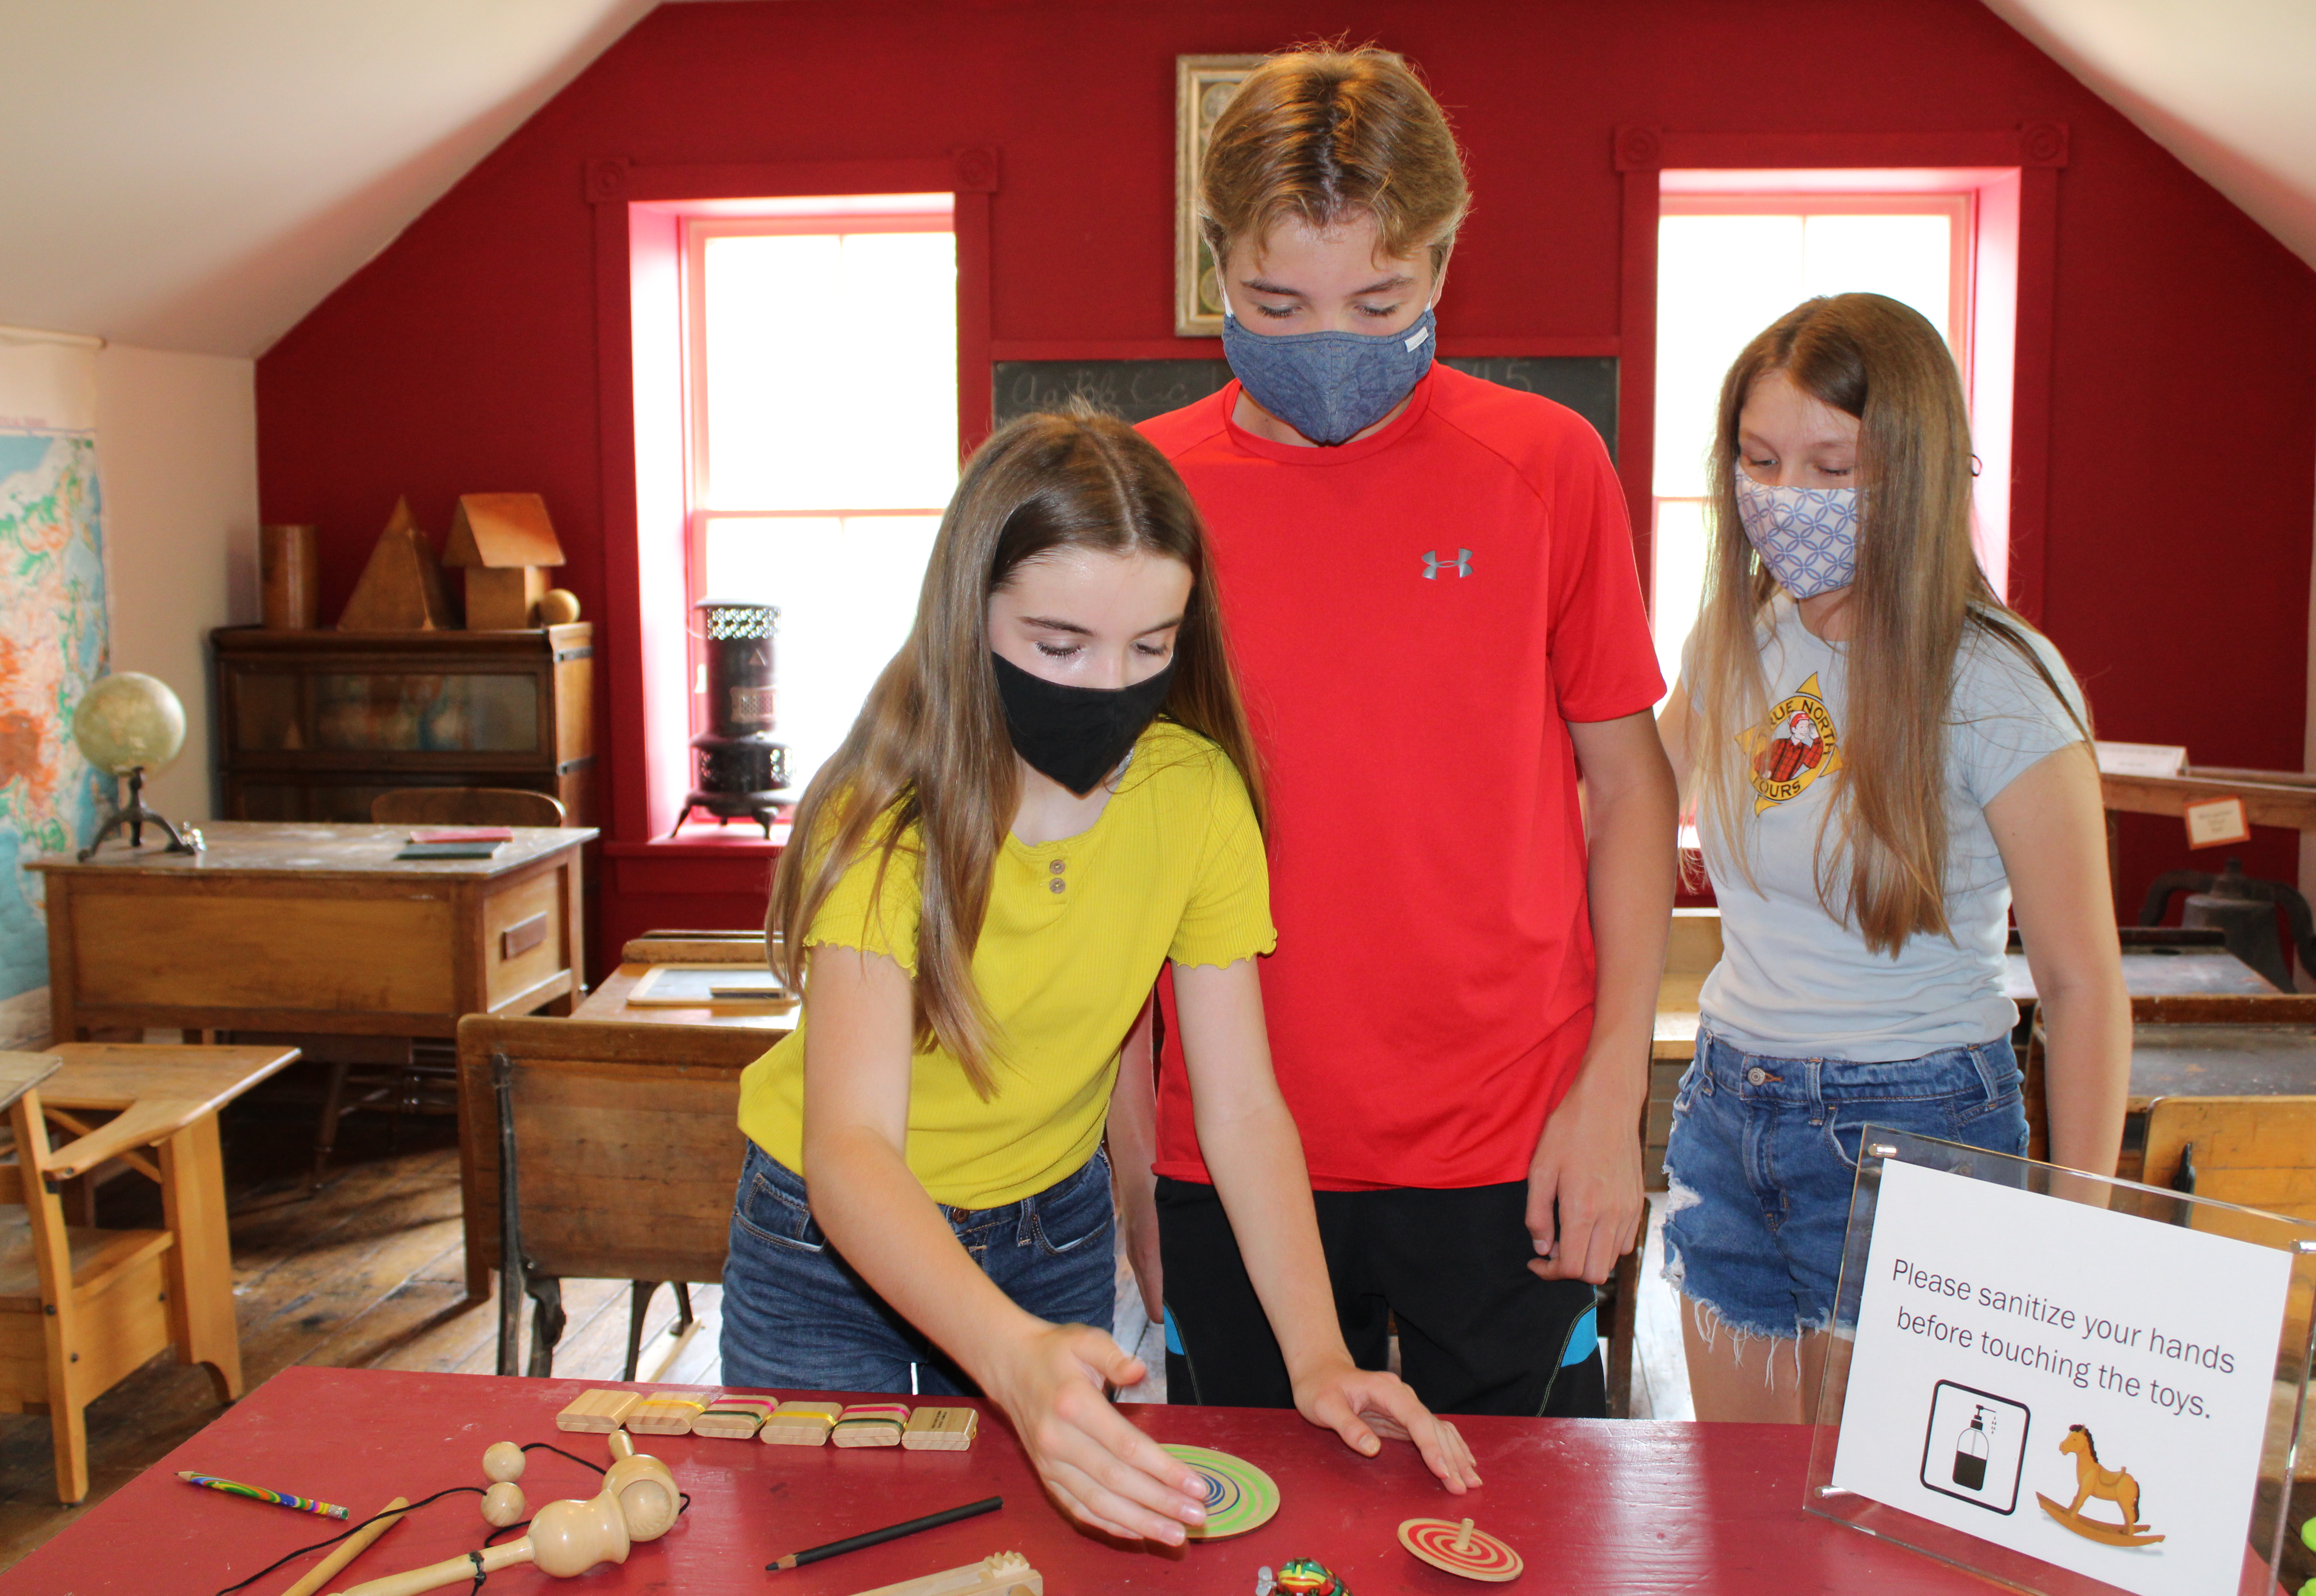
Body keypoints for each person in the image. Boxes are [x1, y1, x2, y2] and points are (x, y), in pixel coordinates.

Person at [719, 410, 1477, 1546]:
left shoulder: (1197, 796)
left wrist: (1318, 1354)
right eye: (1060, 647)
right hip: (829, 1253)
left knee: (1046, 1561)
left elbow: (1240, 1106)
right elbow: (852, 1152)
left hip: (1051, 1234)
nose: (1109, 689)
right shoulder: (887, 821)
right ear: (968, 615)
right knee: (818, 1554)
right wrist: (1009, 1355)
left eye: (1151, 648)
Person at [1129, 45, 1678, 1419]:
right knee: (1255, 1543)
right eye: (1277, 301)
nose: (1330, 343)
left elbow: (1631, 794)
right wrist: (1127, 1156)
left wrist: (1613, 1098)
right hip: (1226, 1150)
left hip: (1509, 1142)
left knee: (1516, 1538)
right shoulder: (1145, 488)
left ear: (1443, 264)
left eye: (1378, 300)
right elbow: (1103, 839)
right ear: (1216, 271)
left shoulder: (1547, 463)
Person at [1654, 293, 2132, 1422]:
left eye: (1833, 468)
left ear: (1916, 475)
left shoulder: (2000, 682)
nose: (1787, 501)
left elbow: (2082, 981)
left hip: (1918, 1129)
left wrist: (2084, 1224)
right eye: (1761, 461)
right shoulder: (1735, 637)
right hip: (1727, 1105)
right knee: (1736, 1515)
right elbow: (1619, 815)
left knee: (1882, 1541)